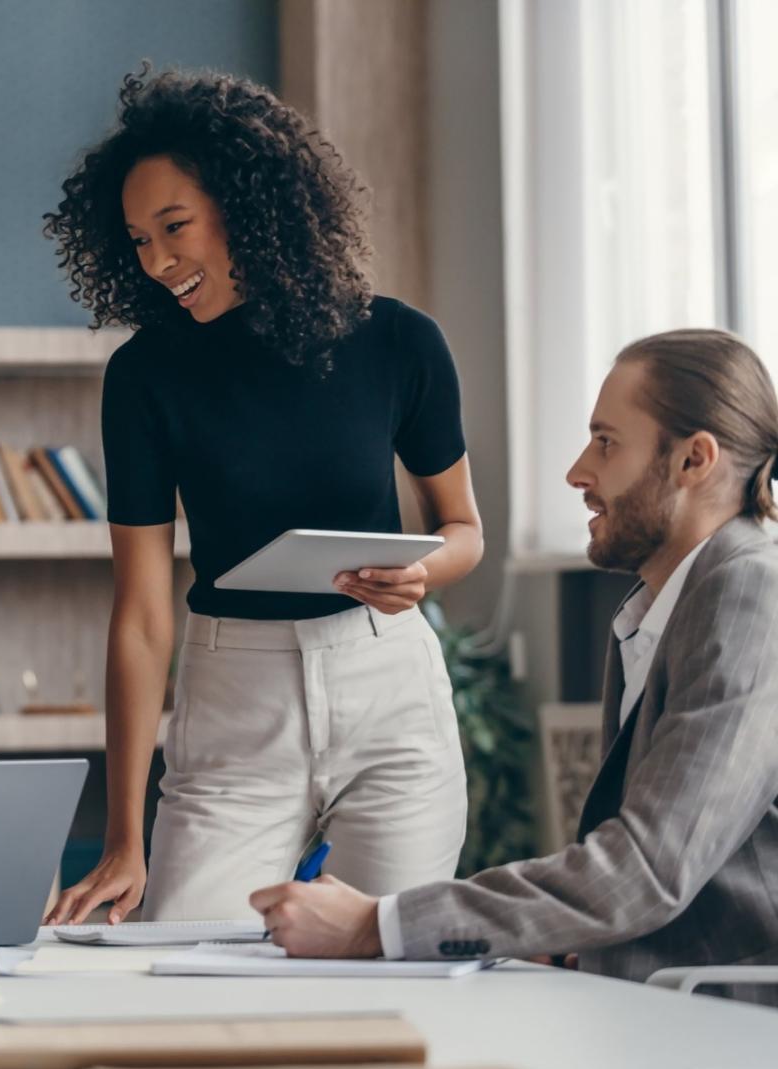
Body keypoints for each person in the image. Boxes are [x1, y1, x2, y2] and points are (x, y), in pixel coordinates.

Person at [43, 68, 484, 927]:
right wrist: (123, 838)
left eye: (175, 227)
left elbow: (461, 529)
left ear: (251, 204)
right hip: (234, 699)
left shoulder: (399, 341)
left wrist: (425, 576)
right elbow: (140, 614)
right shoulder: (145, 376)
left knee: (383, 961)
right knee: (185, 957)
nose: (158, 262)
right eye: (137, 240)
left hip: (389, 686)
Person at [252, 330, 778, 1002]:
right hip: (653, 988)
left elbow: (647, 869)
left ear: (693, 460)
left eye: (606, 442)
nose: (577, 472)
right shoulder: (666, 605)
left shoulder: (749, 595)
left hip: (730, 1016)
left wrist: (376, 924)